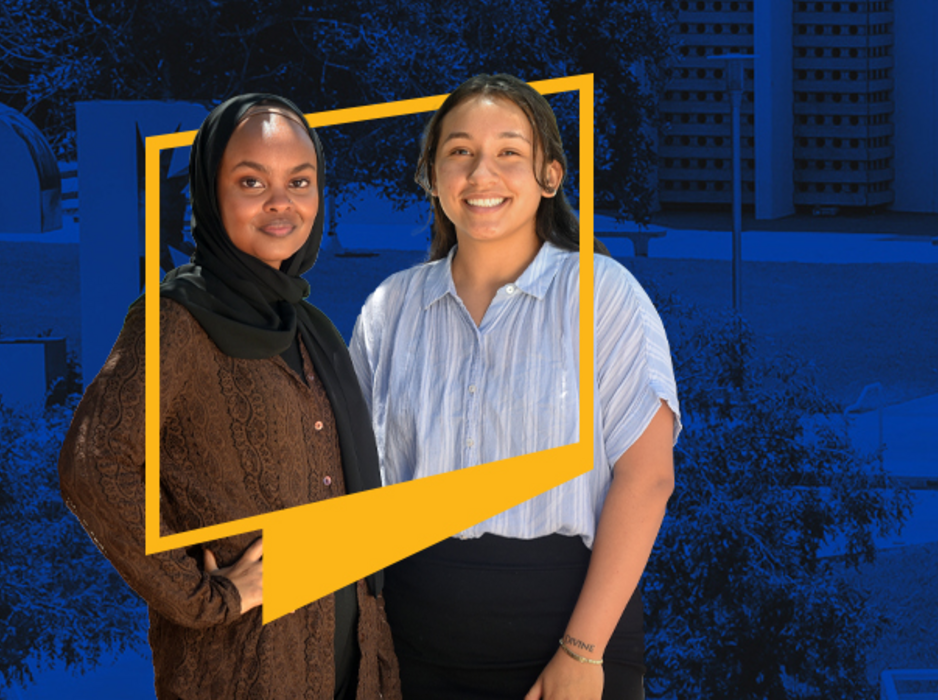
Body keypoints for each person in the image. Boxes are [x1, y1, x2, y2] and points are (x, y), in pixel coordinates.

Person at [57, 93, 401, 700]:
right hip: (244, 670)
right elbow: (93, 463)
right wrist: (204, 596)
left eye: (300, 180)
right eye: (251, 181)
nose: (281, 203)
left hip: (353, 666)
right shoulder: (174, 322)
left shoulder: (309, 326)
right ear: (211, 195)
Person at [349, 74, 680, 700]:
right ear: (430, 175)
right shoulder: (387, 310)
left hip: (571, 641)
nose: (482, 173)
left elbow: (648, 476)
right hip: (409, 647)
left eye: (508, 151)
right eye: (459, 152)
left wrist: (582, 652)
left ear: (549, 176)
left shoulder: (603, 296)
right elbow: (346, 478)